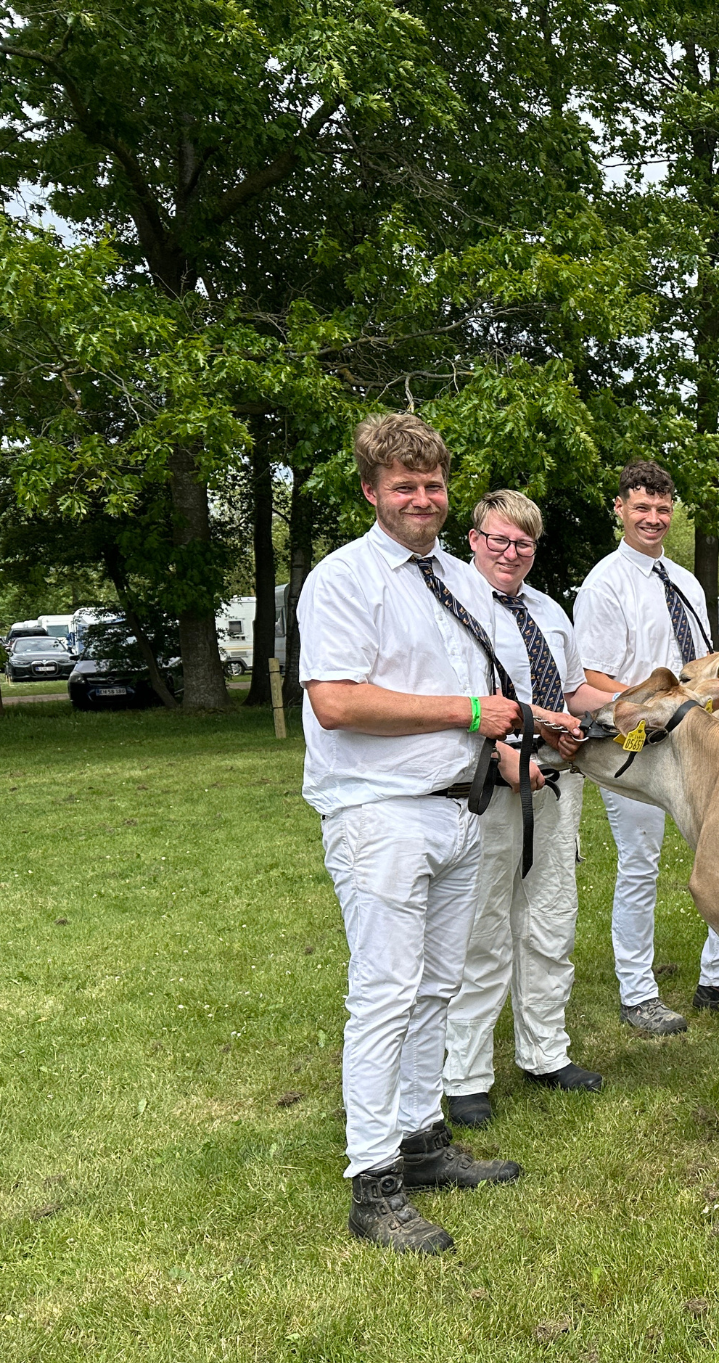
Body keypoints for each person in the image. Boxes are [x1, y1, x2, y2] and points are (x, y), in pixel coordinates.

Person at [299, 413, 563, 1254]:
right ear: (372, 490)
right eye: (404, 485)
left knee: (435, 987)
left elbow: (475, 693)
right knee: (383, 993)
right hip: (379, 815)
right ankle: (371, 1185)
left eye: (434, 484)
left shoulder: (455, 576)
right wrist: (473, 712)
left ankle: (421, 1144)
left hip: (461, 807)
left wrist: (512, 747)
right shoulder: (342, 579)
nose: (422, 498)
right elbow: (336, 702)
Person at [441, 490, 620, 1130]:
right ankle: (465, 1076)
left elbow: (573, 689)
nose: (511, 553)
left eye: (524, 544)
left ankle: (546, 1053)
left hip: (558, 781)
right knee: (483, 930)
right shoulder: (454, 603)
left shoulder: (547, 610)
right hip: (488, 786)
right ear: (473, 539)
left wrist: (643, 700)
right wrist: (513, 745)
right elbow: (459, 696)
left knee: (549, 920)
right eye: (499, 540)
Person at [571, 460, 719, 1035]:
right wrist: (665, 701)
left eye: (663, 509)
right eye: (641, 507)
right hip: (635, 739)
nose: (653, 518)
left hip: (695, 738)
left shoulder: (685, 581)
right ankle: (637, 993)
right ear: (619, 508)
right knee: (639, 866)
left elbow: (696, 662)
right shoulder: (605, 584)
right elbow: (591, 675)